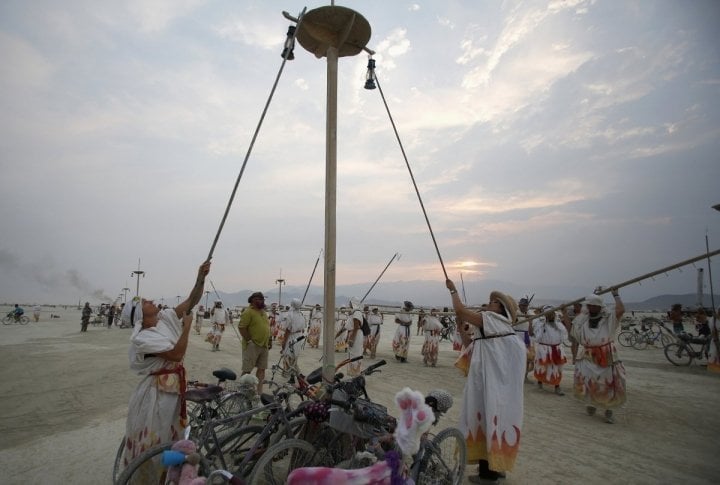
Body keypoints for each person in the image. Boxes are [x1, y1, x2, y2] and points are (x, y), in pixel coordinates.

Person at [122, 260, 210, 481]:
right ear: (140, 315)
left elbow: (191, 301)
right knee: (154, 441)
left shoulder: (164, 319)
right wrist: (187, 328)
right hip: (155, 397)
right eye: (145, 302)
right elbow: (176, 355)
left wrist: (200, 278)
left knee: (173, 437)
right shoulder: (143, 338)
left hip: (171, 393)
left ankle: (169, 475)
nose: (151, 300)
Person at [446, 279, 525, 482]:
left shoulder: (492, 320)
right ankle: (497, 467)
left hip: (490, 387)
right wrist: (462, 329)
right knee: (494, 420)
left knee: (487, 418)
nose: (489, 304)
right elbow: (473, 347)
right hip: (495, 386)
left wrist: (453, 290)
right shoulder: (498, 328)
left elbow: (461, 310)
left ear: (501, 308)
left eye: (493, 302)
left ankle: (488, 476)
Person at [563, 290, 626, 424]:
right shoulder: (583, 320)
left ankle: (609, 411)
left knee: (608, 383)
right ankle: (591, 404)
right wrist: (564, 312)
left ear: (599, 306)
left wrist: (616, 295)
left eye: (594, 305)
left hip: (606, 354)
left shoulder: (608, 318)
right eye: (589, 305)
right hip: (588, 355)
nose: (591, 307)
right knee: (589, 381)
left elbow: (620, 310)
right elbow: (572, 330)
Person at [530, 306, 568, 395]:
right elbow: (535, 336)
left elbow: (564, 335)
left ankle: (557, 386)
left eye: (552, 313)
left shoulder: (558, 324)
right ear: (545, 315)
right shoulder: (540, 324)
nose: (551, 315)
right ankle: (540, 382)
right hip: (544, 350)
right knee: (542, 367)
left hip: (556, 349)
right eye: (548, 313)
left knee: (557, 368)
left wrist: (565, 314)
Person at [238, 292, 272, 394]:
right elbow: (242, 327)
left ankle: (259, 392)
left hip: (264, 345)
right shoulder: (248, 312)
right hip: (252, 345)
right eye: (258, 299)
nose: (261, 301)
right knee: (247, 370)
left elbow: (267, 327)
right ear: (252, 300)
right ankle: (241, 391)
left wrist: (269, 340)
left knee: (262, 369)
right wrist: (249, 340)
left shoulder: (263, 312)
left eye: (262, 299)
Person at [280, 298, 306, 375]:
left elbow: (288, 330)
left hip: (291, 336)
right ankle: (294, 373)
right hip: (299, 336)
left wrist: (284, 342)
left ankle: (289, 373)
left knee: (288, 354)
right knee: (294, 355)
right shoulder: (301, 315)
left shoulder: (290, 315)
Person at [514, 296, 534, 381]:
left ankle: (525, 376)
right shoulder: (515, 313)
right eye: (522, 305)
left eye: (525, 306)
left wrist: (530, 321)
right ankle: (515, 374)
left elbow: (531, 332)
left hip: (526, 336)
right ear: (519, 305)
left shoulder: (529, 314)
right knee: (516, 357)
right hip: (517, 335)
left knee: (527, 358)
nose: (523, 307)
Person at [346, 298, 364, 377]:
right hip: (354, 333)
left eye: (350, 303)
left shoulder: (357, 313)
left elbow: (356, 327)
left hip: (355, 334)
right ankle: (353, 372)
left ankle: (355, 372)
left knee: (355, 353)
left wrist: (352, 339)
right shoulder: (354, 313)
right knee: (352, 353)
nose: (349, 304)